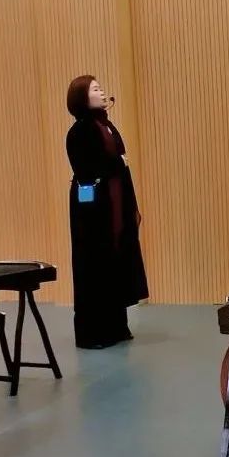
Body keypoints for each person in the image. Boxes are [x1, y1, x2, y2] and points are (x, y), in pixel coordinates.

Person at [66, 76, 148, 349]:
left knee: (115, 260)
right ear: (82, 97)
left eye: (100, 88)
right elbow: (86, 167)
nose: (102, 93)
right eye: (95, 89)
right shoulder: (79, 131)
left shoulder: (107, 125)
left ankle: (116, 326)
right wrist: (117, 162)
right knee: (94, 267)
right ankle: (93, 334)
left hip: (114, 202)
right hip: (92, 209)